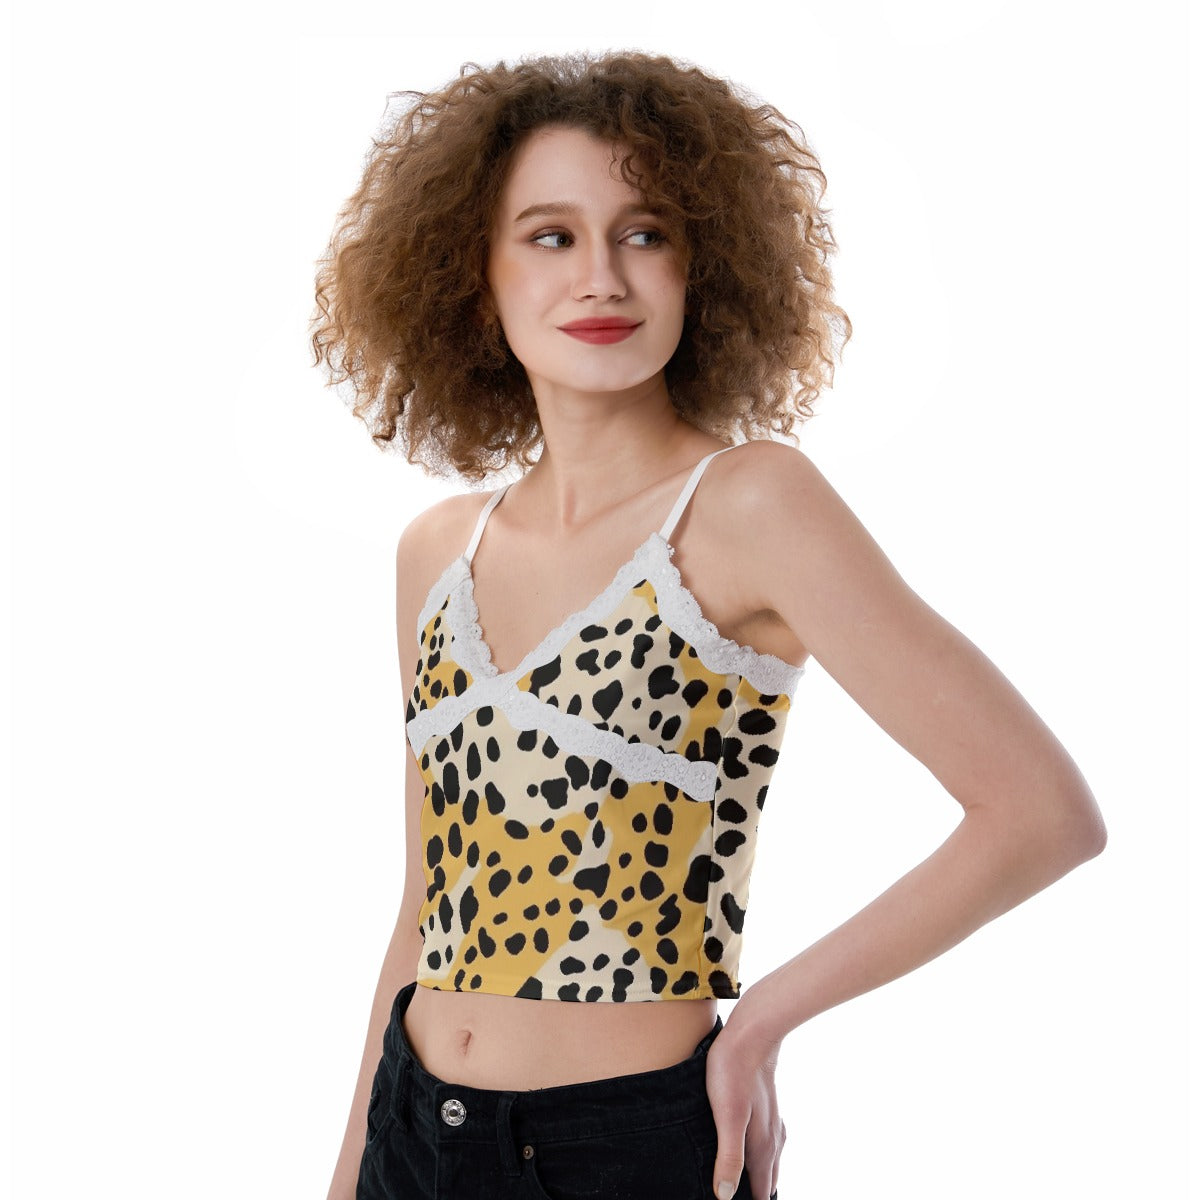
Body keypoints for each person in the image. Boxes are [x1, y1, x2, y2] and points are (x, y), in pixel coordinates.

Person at [310, 51, 1106, 1200]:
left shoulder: (746, 506)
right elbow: (427, 903)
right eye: (550, 236)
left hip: (619, 1150)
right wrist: (349, 1178)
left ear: (703, 268)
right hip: (413, 1129)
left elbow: (1042, 814)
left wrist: (762, 1021)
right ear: (474, 277)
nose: (601, 277)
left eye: (645, 234)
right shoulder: (437, 550)